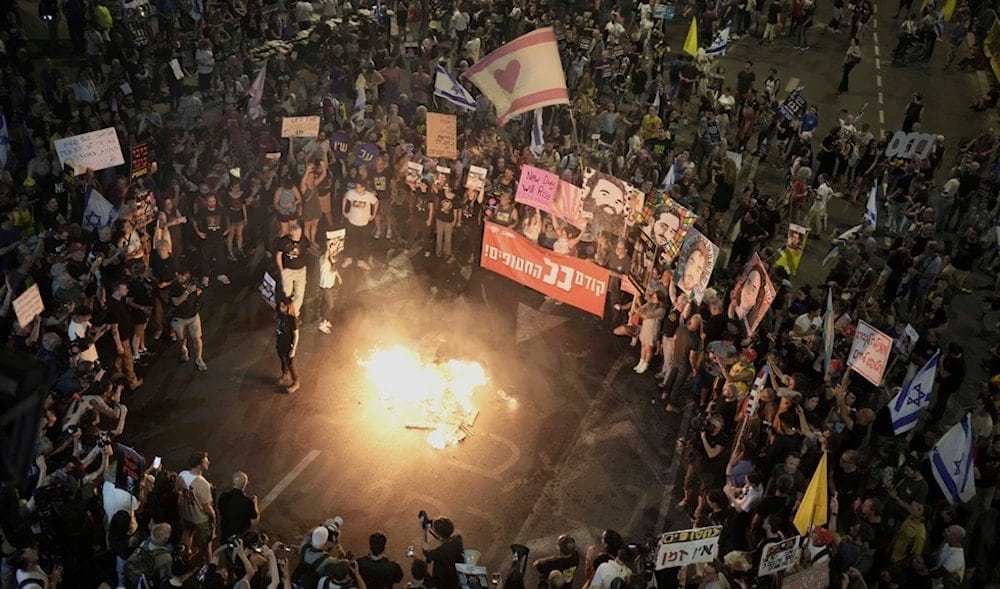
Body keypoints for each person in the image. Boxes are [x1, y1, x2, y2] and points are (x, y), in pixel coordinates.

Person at [106, 280, 143, 391]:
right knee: (128, 360)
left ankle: (118, 382)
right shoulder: (114, 307)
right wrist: (119, 345)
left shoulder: (116, 301)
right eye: (124, 289)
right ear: (117, 291)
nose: (127, 290)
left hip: (123, 335)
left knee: (119, 361)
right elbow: (114, 328)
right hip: (122, 338)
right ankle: (133, 382)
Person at [178, 451, 215, 557]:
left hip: (186, 514)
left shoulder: (182, 474)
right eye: (206, 461)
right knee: (207, 543)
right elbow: (206, 507)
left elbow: (179, 490)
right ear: (199, 465)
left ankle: (186, 554)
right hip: (200, 519)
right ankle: (208, 563)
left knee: (187, 533)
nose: (208, 462)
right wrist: (213, 518)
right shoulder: (203, 484)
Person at [170, 269, 208, 372]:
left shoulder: (193, 282)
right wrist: (187, 292)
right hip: (179, 317)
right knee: (181, 338)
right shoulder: (175, 286)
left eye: (185, 277)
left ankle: (199, 358)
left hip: (193, 315)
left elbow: (200, 291)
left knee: (197, 338)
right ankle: (184, 350)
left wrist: (198, 290)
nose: (182, 279)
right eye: (181, 276)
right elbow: (176, 302)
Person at [275, 222, 311, 318]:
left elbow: (309, 246)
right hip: (288, 271)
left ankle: (294, 314)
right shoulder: (284, 241)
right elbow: (278, 255)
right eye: (297, 235)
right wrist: (282, 271)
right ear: (291, 234)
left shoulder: (303, 239)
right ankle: (286, 311)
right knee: (288, 294)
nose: (299, 237)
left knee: (300, 294)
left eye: (300, 234)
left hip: (301, 271)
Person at [342, 178, 379, 270]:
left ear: (364, 188)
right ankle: (348, 259)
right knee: (351, 241)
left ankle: (361, 261)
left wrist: (373, 214)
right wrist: (343, 211)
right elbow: (345, 198)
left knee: (363, 242)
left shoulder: (369, 196)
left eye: (359, 187)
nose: (357, 189)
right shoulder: (351, 193)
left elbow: (376, 202)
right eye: (356, 187)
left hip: (364, 223)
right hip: (352, 221)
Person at [422, 517, 464, 589]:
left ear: (438, 535)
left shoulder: (439, 552)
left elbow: (426, 552)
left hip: (444, 581)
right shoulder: (458, 539)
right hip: (456, 575)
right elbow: (443, 539)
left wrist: (424, 532)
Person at [217, 471, 259, 542]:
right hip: (241, 536)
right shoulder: (248, 501)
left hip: (225, 533)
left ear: (233, 482)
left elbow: (220, 510)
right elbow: (254, 520)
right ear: (246, 484)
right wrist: (255, 503)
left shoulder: (223, 496)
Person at [275, 297, 300, 393]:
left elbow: (296, 335)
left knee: (291, 363)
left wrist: (293, 349)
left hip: (288, 345)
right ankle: (284, 374)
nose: (280, 308)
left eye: (283, 306)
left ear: (288, 307)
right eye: (280, 305)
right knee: (282, 359)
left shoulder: (292, 320)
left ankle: (296, 382)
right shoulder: (280, 315)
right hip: (280, 343)